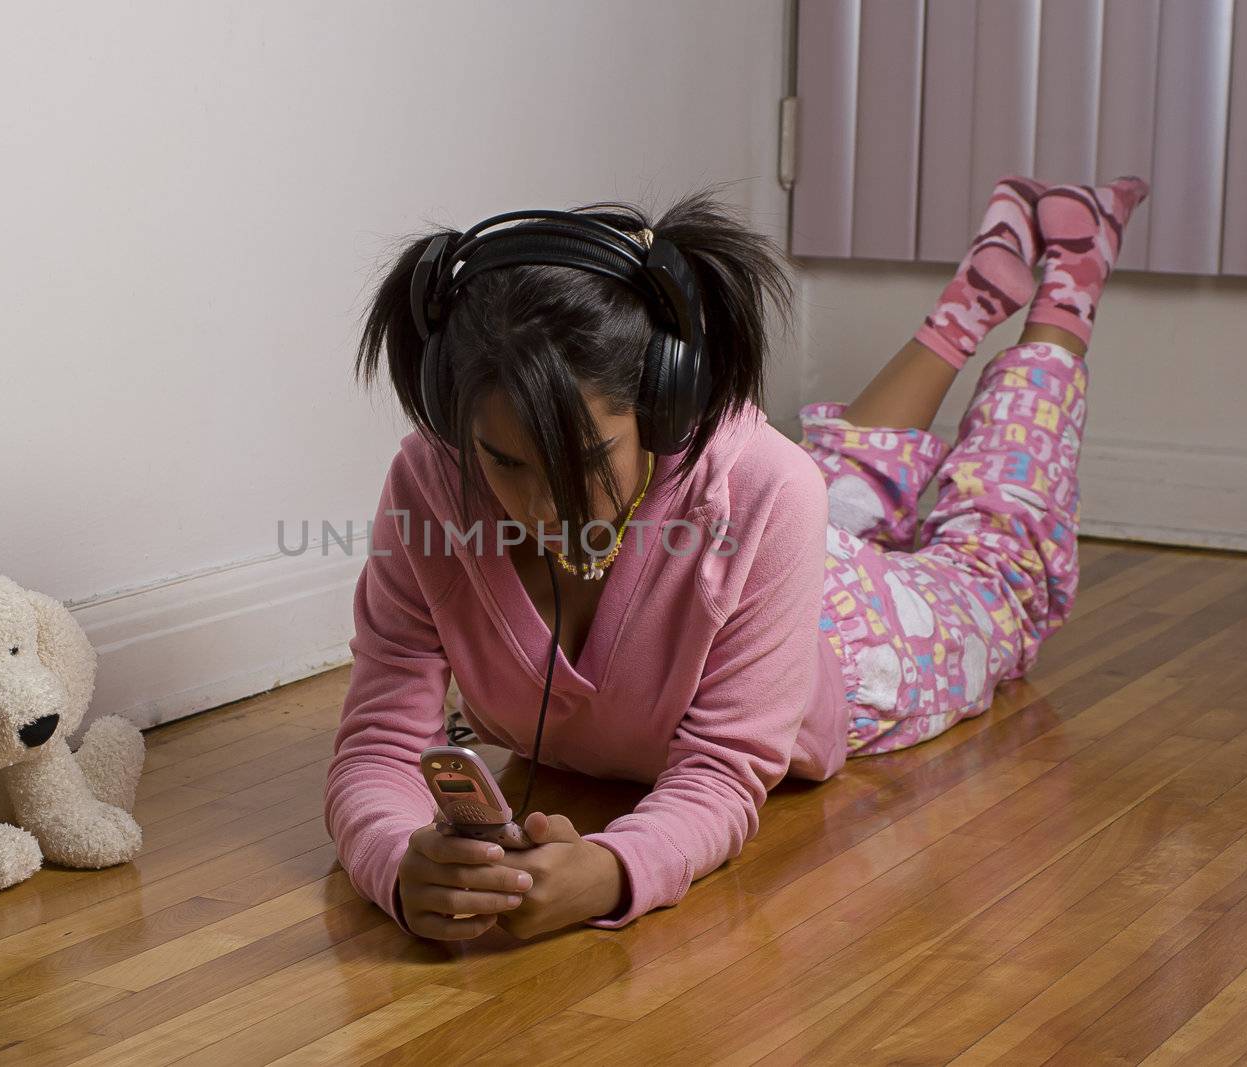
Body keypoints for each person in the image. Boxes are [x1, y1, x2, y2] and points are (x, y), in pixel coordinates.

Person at [325, 176, 1149, 942]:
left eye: (583, 459)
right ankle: (973, 299)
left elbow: (722, 770)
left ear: (663, 402)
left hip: (849, 641)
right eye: (505, 463)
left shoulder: (767, 488)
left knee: (995, 562)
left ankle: (1067, 289)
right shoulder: (429, 481)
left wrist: (616, 870)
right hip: (751, 539)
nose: (547, 511)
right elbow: (376, 744)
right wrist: (398, 860)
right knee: (838, 482)